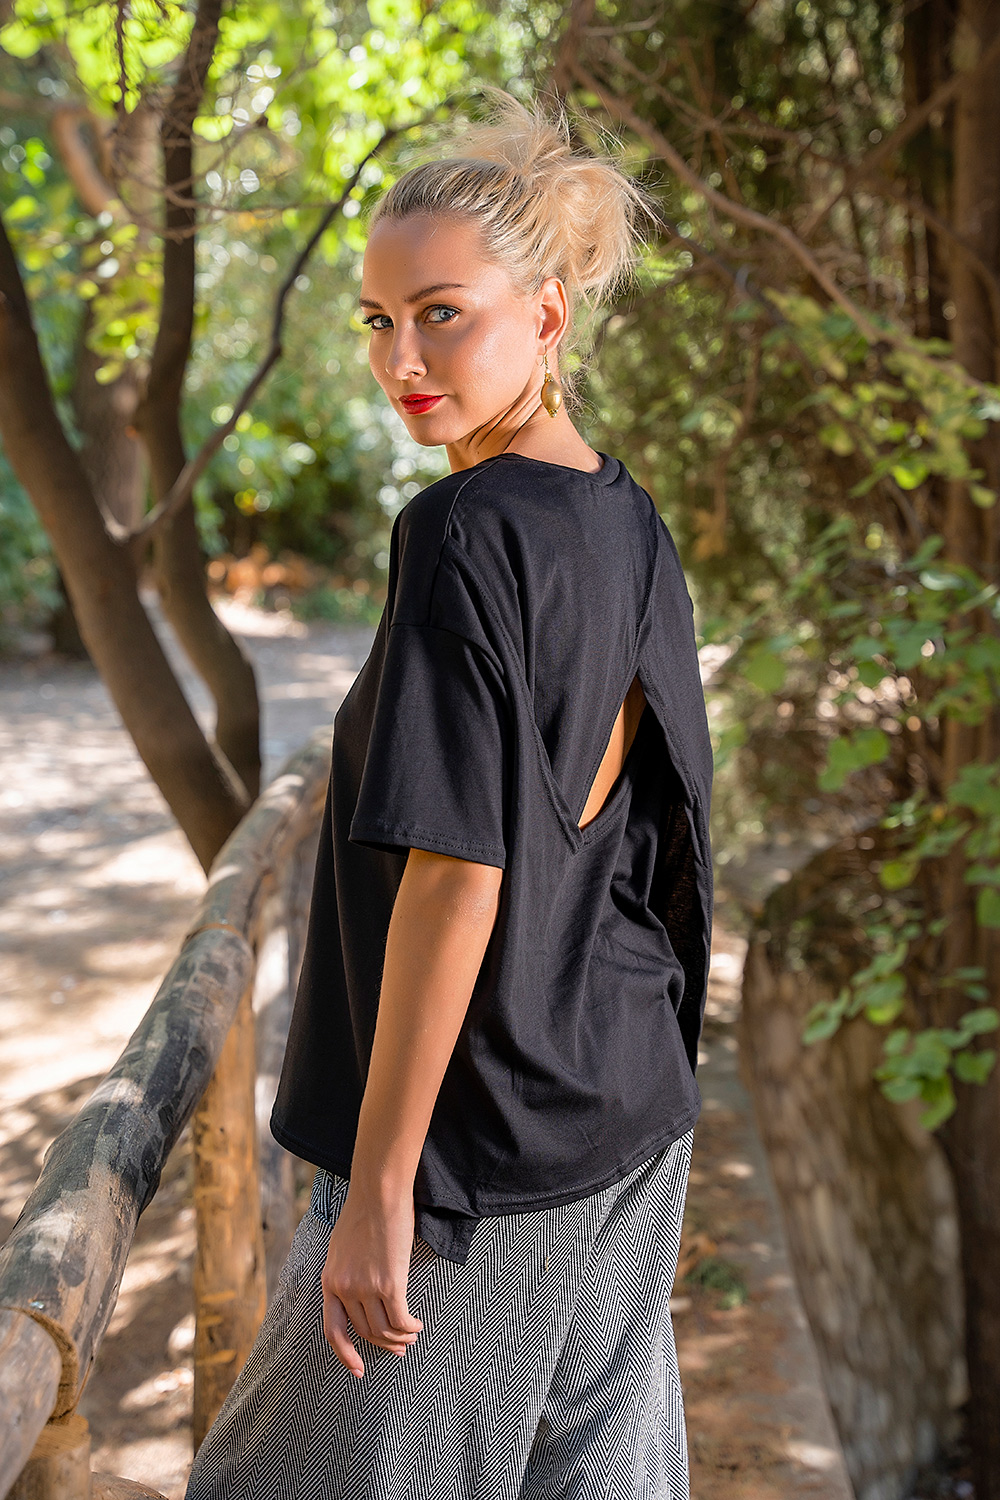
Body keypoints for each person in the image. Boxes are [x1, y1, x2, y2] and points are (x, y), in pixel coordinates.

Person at [186, 87, 714, 1500]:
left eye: (442, 315)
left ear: (547, 314)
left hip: (478, 1154)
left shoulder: (463, 533)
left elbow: (459, 870)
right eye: (378, 320)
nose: (402, 359)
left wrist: (384, 1188)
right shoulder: (624, 513)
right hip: (628, 1097)